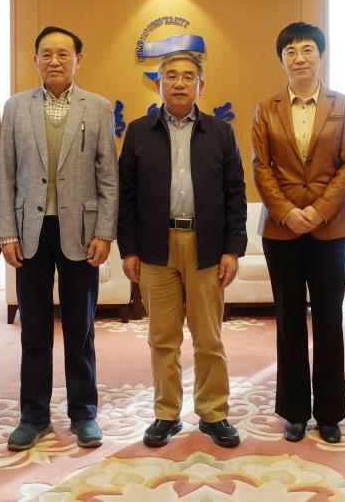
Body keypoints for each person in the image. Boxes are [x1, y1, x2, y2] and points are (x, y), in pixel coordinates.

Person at [0, 26, 118, 451]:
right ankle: (33, 416)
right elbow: (4, 174)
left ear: (78, 60)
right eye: (46, 54)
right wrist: (6, 231)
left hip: (81, 233)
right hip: (30, 232)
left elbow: (108, 176)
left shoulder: (98, 108)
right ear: (35, 60)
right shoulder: (15, 108)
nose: (54, 61)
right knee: (34, 329)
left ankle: (84, 413)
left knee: (81, 328)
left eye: (63, 54)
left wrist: (104, 231)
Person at [118, 50, 247, 449]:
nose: (179, 83)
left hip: (206, 245)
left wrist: (232, 249)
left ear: (200, 86)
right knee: (162, 338)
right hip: (155, 247)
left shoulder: (220, 133)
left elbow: (235, 194)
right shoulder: (139, 132)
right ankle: (166, 413)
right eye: (171, 76)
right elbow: (126, 196)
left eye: (188, 76)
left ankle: (213, 412)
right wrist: (129, 249)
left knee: (209, 338)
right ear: (158, 84)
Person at [250, 22, 345, 444]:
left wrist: (318, 210)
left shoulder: (343, 105)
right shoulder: (266, 108)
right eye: (290, 52)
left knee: (330, 319)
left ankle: (330, 412)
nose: (299, 58)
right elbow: (261, 167)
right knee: (289, 320)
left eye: (307, 50)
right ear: (281, 60)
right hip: (282, 232)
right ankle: (294, 411)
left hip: (332, 229)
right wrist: (288, 213)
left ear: (321, 56)